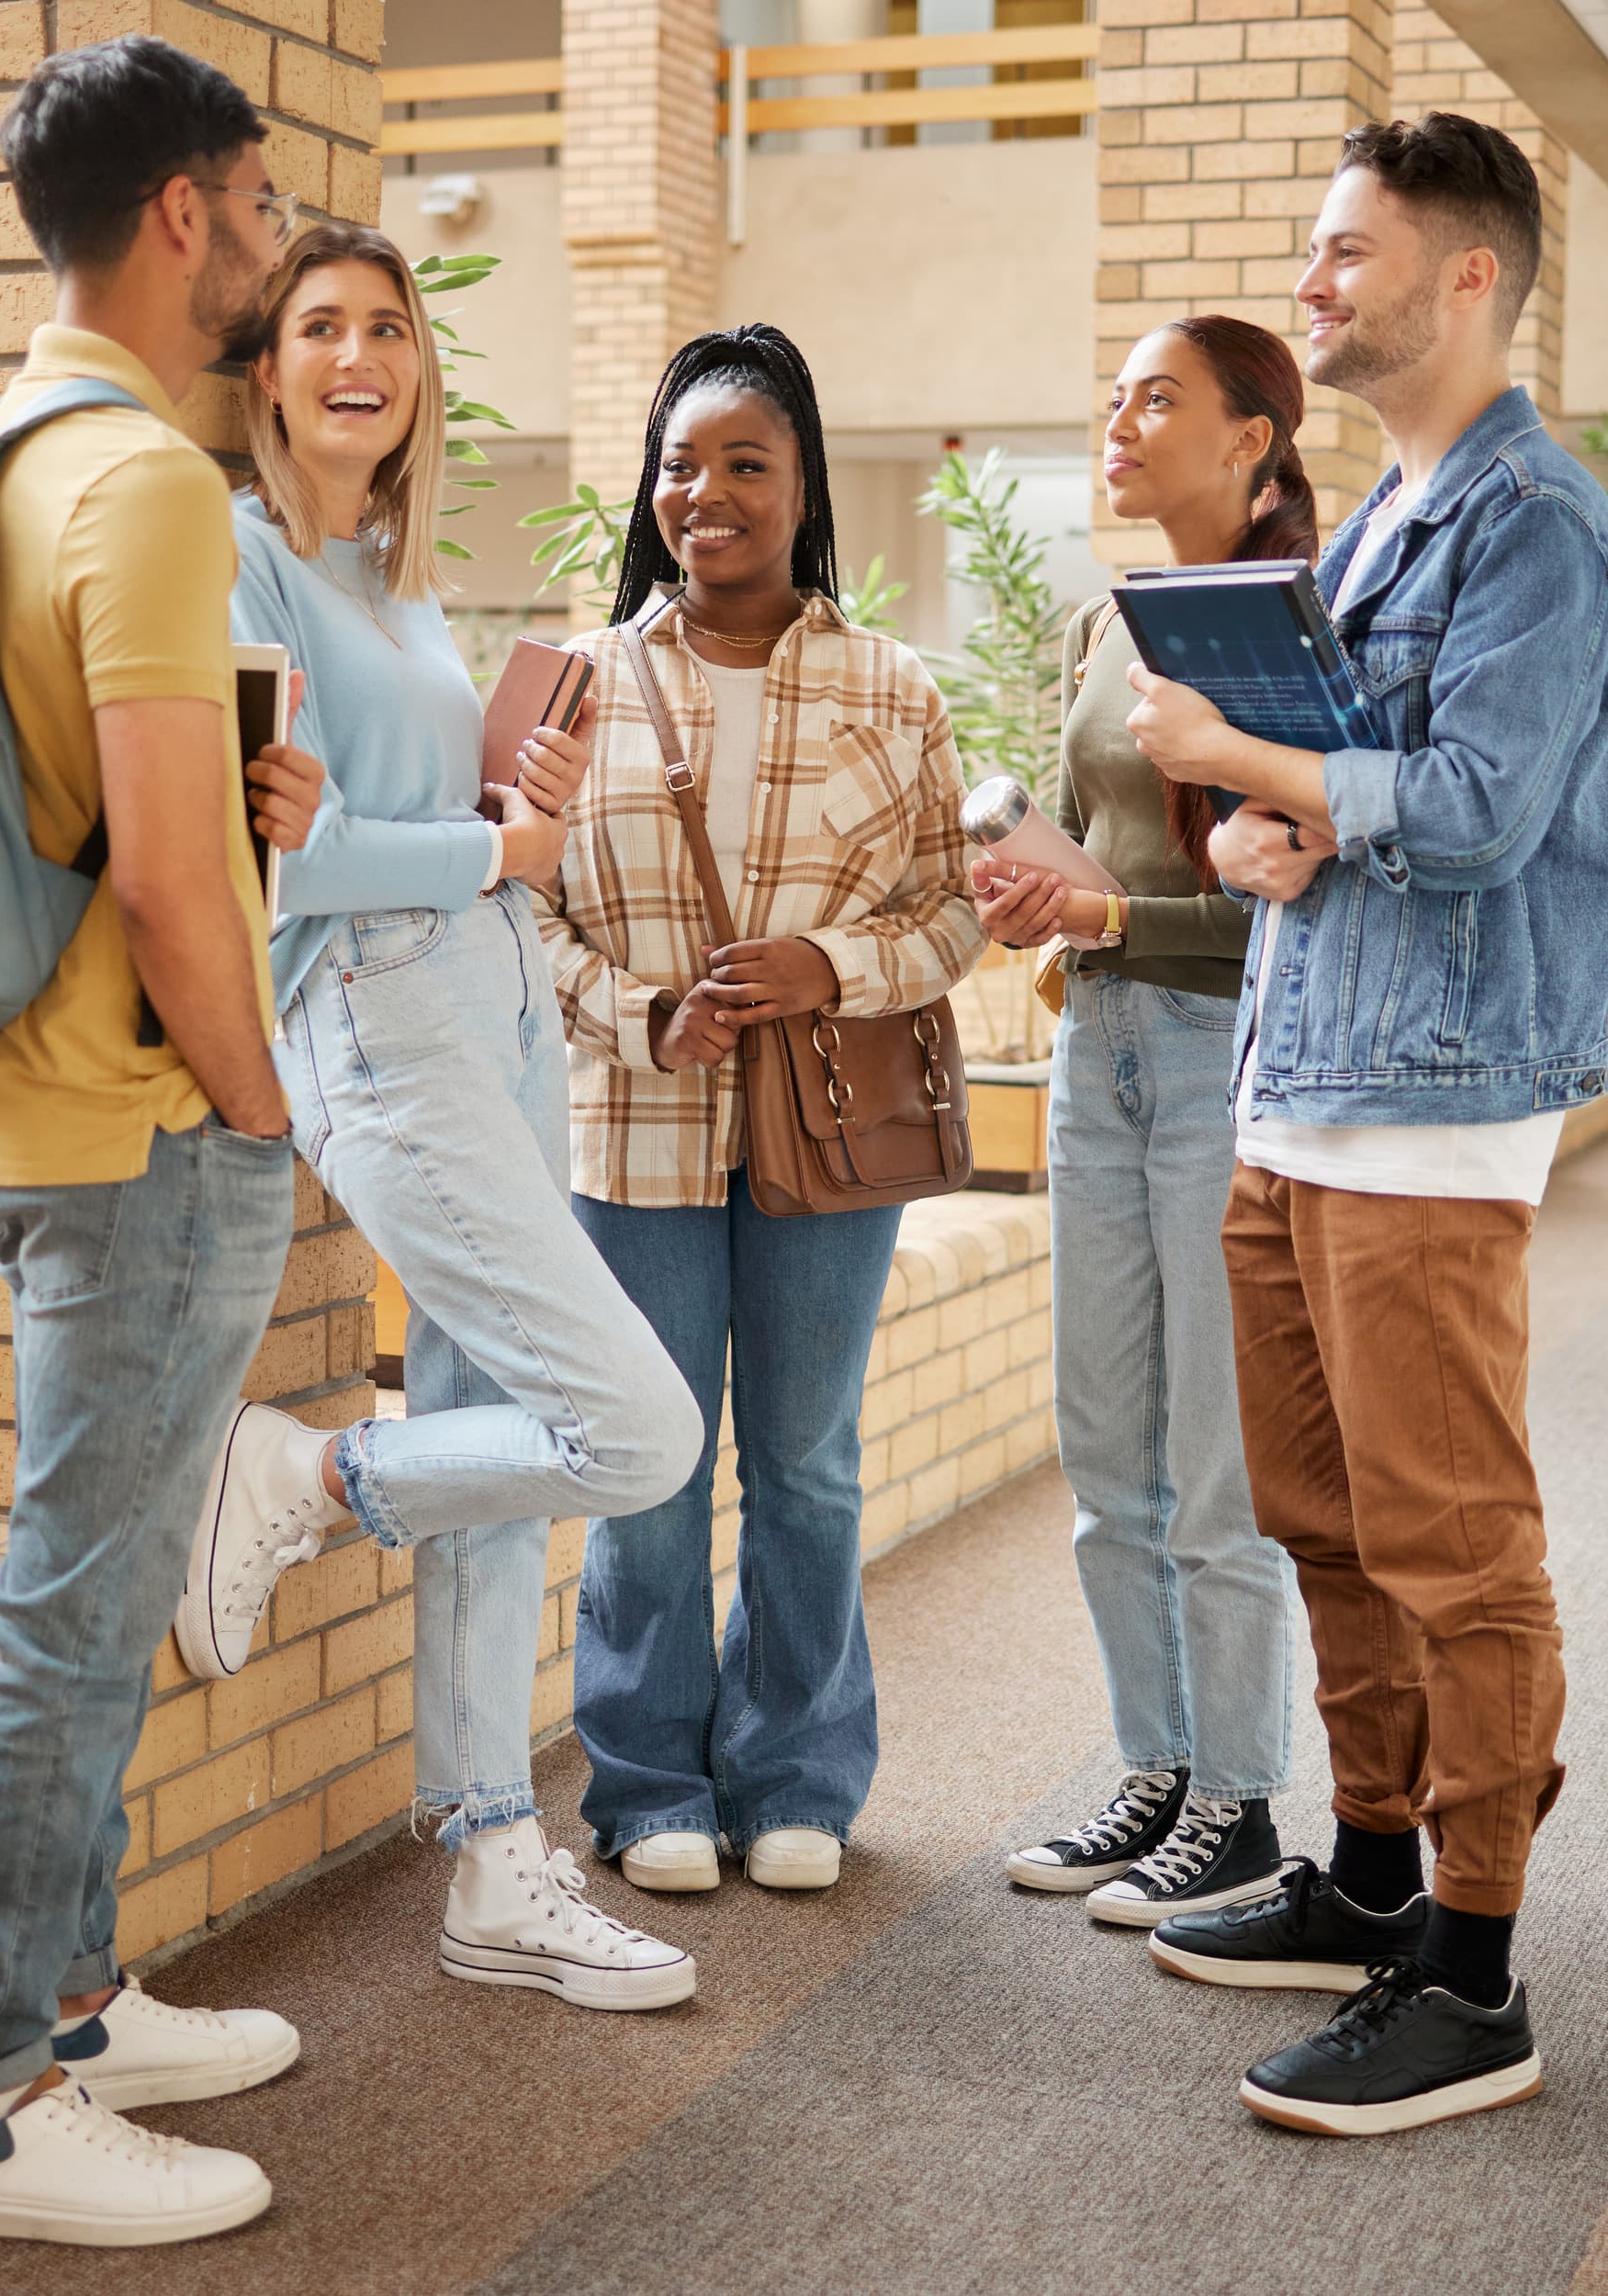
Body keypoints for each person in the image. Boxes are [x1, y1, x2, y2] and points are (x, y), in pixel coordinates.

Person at [1122, 114, 1608, 2137]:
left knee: (1450, 1540)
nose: (1311, 283)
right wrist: (1262, 825)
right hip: (1300, 1075)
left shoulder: (1534, 522)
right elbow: (1349, 791)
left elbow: (1484, 806)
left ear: (1466, 281)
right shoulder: (1373, 526)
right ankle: (1368, 1877)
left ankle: (1478, 1969)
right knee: (1323, 1517)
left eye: (1346, 253)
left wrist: (1241, 753)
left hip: (1426, 1107)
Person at [0, 36, 330, 2247]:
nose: (271, 247)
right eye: (257, 208)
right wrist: (266, 1112)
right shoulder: (150, 481)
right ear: (183, 213)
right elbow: (160, 884)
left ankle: (67, 1991)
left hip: (28, 1102)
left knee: (84, 1577)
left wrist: (263, 798)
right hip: (143, 1128)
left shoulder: (3, 446)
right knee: (78, 1611)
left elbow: (101, 792)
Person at [179, 220, 707, 2012]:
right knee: (632, 1427)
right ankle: (308, 1472)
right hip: (378, 1021)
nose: (357, 354)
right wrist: (502, 844)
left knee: (502, 1439)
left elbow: (384, 810)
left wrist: (506, 796)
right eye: (318, 325)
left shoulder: (389, 581)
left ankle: (491, 1857)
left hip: (487, 1010)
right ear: (266, 373)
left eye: (386, 328)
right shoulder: (242, 563)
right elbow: (288, 852)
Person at [536, 325, 980, 1897]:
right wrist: (639, 1012)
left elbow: (951, 920)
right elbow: (516, 913)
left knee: (806, 1458)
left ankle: (796, 1771)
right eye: (680, 463)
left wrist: (827, 967)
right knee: (647, 1462)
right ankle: (648, 1780)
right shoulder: (575, 686)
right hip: (630, 1130)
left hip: (829, 1131)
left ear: (803, 490)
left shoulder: (891, 686)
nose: (706, 492)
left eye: (746, 463)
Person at [976, 316, 1313, 1929]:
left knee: (1214, 1473)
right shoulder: (1108, 624)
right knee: (1106, 1454)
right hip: (1091, 1055)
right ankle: (1157, 1776)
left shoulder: (1279, 627)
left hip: (1211, 1059)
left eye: (1158, 398)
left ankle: (1243, 1803)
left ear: (1253, 440)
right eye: (1110, 392)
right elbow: (1105, 857)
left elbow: (1285, 915)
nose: (1120, 419)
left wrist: (1105, 923)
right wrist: (1037, 889)